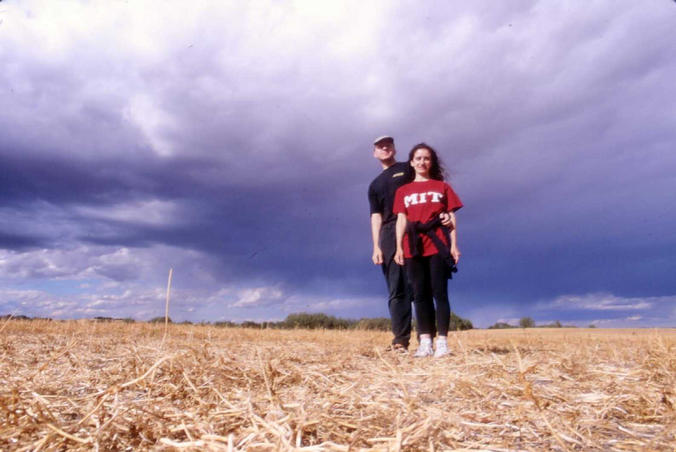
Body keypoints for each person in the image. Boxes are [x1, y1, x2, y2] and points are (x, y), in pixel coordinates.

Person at [393, 143, 462, 357]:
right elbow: (401, 220)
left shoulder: (442, 187)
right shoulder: (403, 190)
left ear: (431, 162)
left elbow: (451, 218)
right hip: (413, 245)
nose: (422, 162)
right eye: (418, 158)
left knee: (439, 293)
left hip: (437, 243)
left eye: (427, 158)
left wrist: (454, 245)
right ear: (412, 162)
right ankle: (425, 341)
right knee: (420, 294)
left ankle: (442, 341)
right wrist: (398, 248)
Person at [368, 135, 414, 351]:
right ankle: (400, 340)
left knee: (421, 285)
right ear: (374, 153)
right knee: (397, 288)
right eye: (380, 146)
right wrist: (376, 246)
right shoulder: (375, 185)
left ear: (395, 148)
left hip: (414, 227)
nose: (385, 148)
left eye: (388, 145)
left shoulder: (408, 169)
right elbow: (375, 216)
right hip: (388, 232)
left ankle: (428, 338)